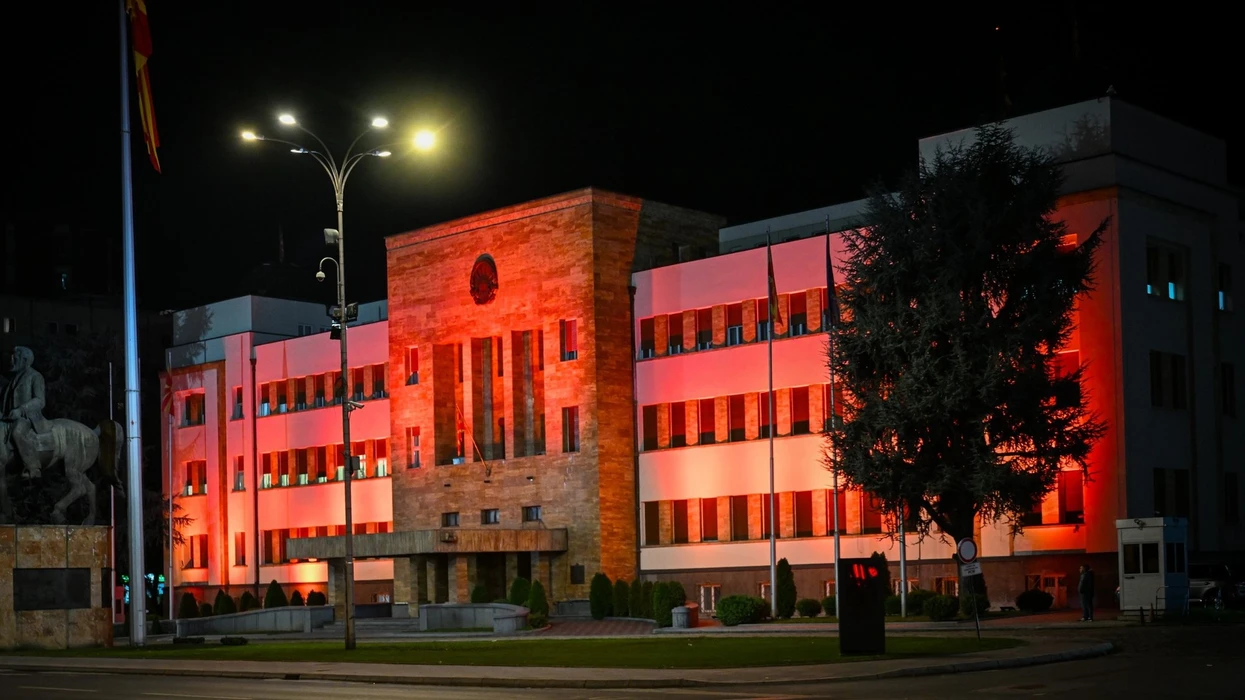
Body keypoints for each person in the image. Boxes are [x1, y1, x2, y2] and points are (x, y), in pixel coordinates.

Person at [1, 346, 50, 478]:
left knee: (17, 431)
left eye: (15, 358)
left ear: (24, 360)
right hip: (9, 418)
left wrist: (21, 410)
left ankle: (33, 467)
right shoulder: (12, 380)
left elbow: (40, 401)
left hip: (29, 418)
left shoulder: (35, 376)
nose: (11, 361)